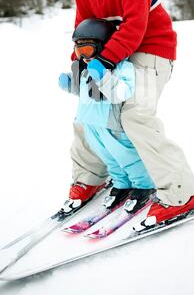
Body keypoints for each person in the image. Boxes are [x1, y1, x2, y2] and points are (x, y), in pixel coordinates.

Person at [61, 0, 194, 230]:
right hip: (111, 54)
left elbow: (136, 26)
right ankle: (90, 178)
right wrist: (79, 61)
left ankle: (183, 194)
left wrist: (105, 61)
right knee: (89, 109)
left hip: (151, 50)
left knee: (135, 115)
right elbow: (83, 24)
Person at [59, 18, 156, 215]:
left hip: (112, 124)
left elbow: (121, 92)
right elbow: (84, 92)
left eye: (87, 50)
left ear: (103, 46)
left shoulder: (122, 67)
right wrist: (69, 84)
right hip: (91, 124)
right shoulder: (86, 68)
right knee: (109, 159)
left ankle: (143, 185)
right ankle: (121, 184)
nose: (83, 57)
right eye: (79, 52)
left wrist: (103, 77)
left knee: (126, 156)